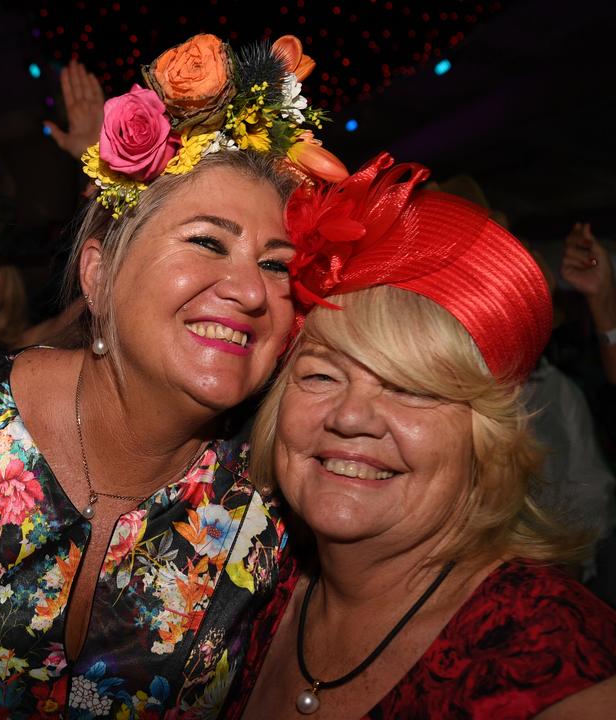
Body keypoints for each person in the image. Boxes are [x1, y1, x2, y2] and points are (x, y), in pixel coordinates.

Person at [0, 32, 347, 717]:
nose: (252, 292)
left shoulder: (285, 495)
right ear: (99, 273)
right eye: (207, 241)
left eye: (275, 263)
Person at [227, 154, 616, 719]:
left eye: (410, 387)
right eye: (321, 375)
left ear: (486, 438)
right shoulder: (240, 582)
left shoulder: (550, 657)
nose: (351, 416)